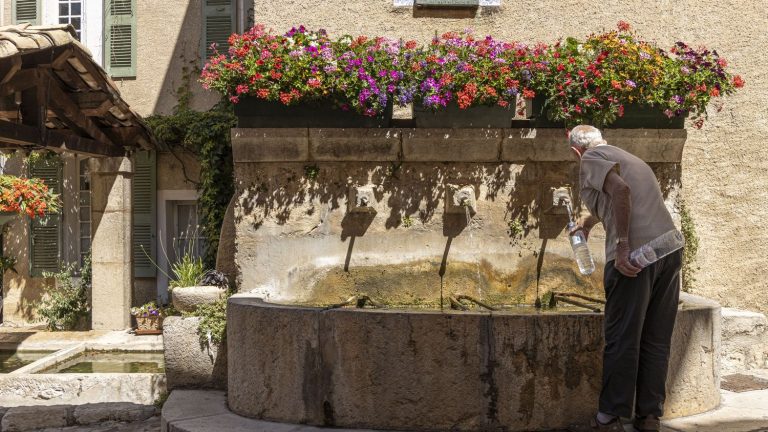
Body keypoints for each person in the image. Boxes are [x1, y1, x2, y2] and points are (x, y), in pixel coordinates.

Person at [567, 125, 683, 432]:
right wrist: (589, 221)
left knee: (622, 338)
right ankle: (649, 417)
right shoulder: (627, 157)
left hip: (638, 257)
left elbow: (620, 191)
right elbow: (621, 192)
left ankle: (609, 417)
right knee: (656, 339)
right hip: (669, 249)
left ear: (576, 151)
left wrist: (622, 246)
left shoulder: (590, 158)